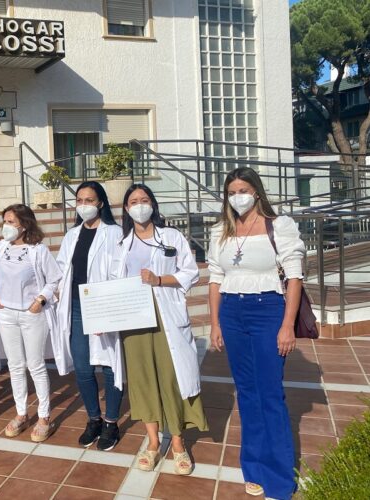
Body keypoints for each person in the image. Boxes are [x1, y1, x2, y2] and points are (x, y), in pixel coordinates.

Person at [208, 167, 305, 499]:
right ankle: (253, 466)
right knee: (246, 393)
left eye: (244, 189)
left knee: (270, 395)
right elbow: (215, 278)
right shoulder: (221, 229)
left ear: (257, 192)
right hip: (232, 313)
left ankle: (279, 477)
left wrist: (287, 325)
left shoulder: (279, 226)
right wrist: (216, 322)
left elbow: (294, 277)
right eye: (232, 191)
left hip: (267, 310)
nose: (238, 196)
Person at [109, 184, 207, 475]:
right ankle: (152, 443)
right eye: (134, 202)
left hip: (166, 317)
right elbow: (112, 285)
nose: (140, 205)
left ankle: (177, 443)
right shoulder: (121, 245)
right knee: (142, 380)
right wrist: (105, 320)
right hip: (134, 320)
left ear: (153, 204)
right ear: (126, 209)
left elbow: (191, 272)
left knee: (170, 378)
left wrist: (160, 280)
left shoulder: (172, 237)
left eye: (144, 200)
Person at [55, 181, 124, 451]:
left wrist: (107, 312)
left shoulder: (115, 233)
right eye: (79, 200)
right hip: (76, 307)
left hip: (104, 305)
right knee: (83, 368)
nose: (84, 205)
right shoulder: (72, 235)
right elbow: (60, 270)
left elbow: (121, 272)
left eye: (89, 200)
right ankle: (93, 419)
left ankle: (111, 422)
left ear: (101, 203)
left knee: (109, 366)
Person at [0, 204, 63, 442]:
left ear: (24, 224)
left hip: (31, 314)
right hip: (7, 314)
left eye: (11, 222)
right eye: (5, 221)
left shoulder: (37, 250)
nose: (6, 226)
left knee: (36, 365)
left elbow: (54, 279)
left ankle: (44, 416)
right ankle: (21, 413)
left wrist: (40, 300)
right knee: (15, 365)